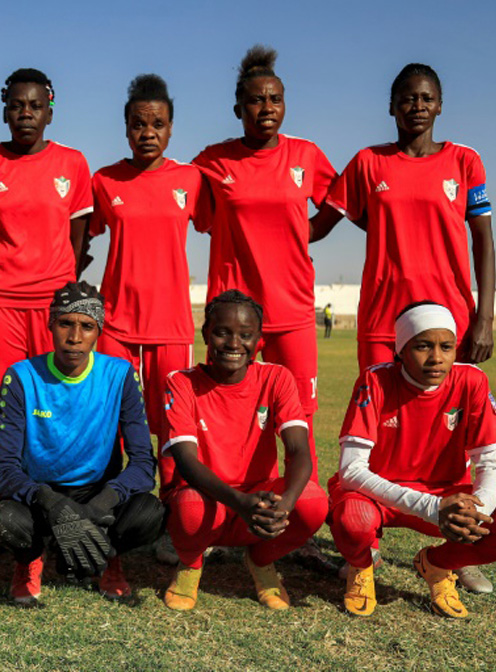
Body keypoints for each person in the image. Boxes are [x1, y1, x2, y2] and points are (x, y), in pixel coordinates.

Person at [192, 46, 338, 481]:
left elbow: (335, 205)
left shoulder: (305, 155)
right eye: (256, 100)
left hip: (292, 308)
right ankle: (232, 508)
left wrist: (303, 232)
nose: (267, 108)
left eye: (275, 98)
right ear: (238, 107)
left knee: (299, 416)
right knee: (231, 412)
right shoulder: (213, 161)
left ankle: (302, 515)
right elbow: (195, 214)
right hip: (234, 314)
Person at [329, 302, 496, 618]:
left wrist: (477, 511)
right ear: (401, 350)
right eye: (423, 346)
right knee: (352, 520)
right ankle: (362, 565)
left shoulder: (472, 381)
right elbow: (351, 470)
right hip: (383, 497)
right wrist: (432, 509)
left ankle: (439, 564)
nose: (437, 357)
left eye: (446, 347)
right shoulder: (375, 380)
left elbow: (490, 462)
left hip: (449, 496)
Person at [0, 68, 93, 508]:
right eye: (17, 105)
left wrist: (61, 285)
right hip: (0, 306)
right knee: (5, 411)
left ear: (50, 112)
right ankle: (4, 509)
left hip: (55, 308)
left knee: (60, 406)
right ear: (4, 110)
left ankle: (60, 505)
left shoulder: (72, 164)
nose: (26, 114)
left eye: (35, 106)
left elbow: (79, 236)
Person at [0, 281, 164, 604]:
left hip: (96, 492)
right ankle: (30, 559)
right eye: (65, 323)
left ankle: (106, 557)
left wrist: (98, 507)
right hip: (41, 494)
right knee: (8, 520)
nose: (74, 337)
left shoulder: (121, 375)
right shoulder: (20, 377)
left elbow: (142, 464)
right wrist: (51, 503)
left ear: (98, 331)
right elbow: (2, 466)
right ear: (50, 325)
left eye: (86, 326)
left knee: (148, 513)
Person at [320, 63, 496, 371]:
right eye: (408, 98)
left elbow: (483, 241)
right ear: (391, 107)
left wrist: (485, 319)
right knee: (378, 415)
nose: (418, 106)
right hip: (383, 317)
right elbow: (330, 220)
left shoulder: (465, 161)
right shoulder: (368, 162)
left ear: (439, 105)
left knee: (447, 417)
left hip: (450, 316)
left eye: (427, 98)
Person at [161, 290, 328, 611]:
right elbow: (184, 460)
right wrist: (238, 502)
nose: (234, 343)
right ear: (206, 334)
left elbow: (299, 449)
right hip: (212, 503)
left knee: (313, 503)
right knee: (190, 505)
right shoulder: (181, 382)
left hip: (259, 505)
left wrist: (283, 509)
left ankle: (261, 561)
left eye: (245, 335)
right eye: (222, 332)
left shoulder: (277, 377)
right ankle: (191, 566)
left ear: (259, 340)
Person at [90, 73, 204, 495]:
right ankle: (115, 506)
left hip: (171, 325)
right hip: (116, 325)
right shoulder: (104, 181)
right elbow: (83, 239)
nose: (148, 132)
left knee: (172, 425)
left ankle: (176, 514)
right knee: (112, 423)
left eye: (157, 124)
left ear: (171, 128)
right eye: (139, 124)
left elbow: (218, 226)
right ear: (126, 128)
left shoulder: (191, 179)